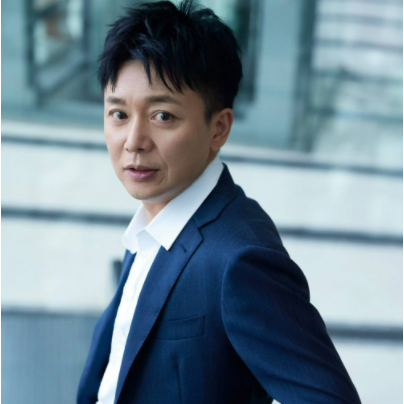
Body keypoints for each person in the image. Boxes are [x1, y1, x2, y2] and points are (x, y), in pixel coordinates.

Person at [77, 1, 362, 403]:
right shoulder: (154, 222)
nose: (134, 141)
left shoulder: (240, 259)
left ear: (219, 128)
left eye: (162, 116)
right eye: (119, 114)